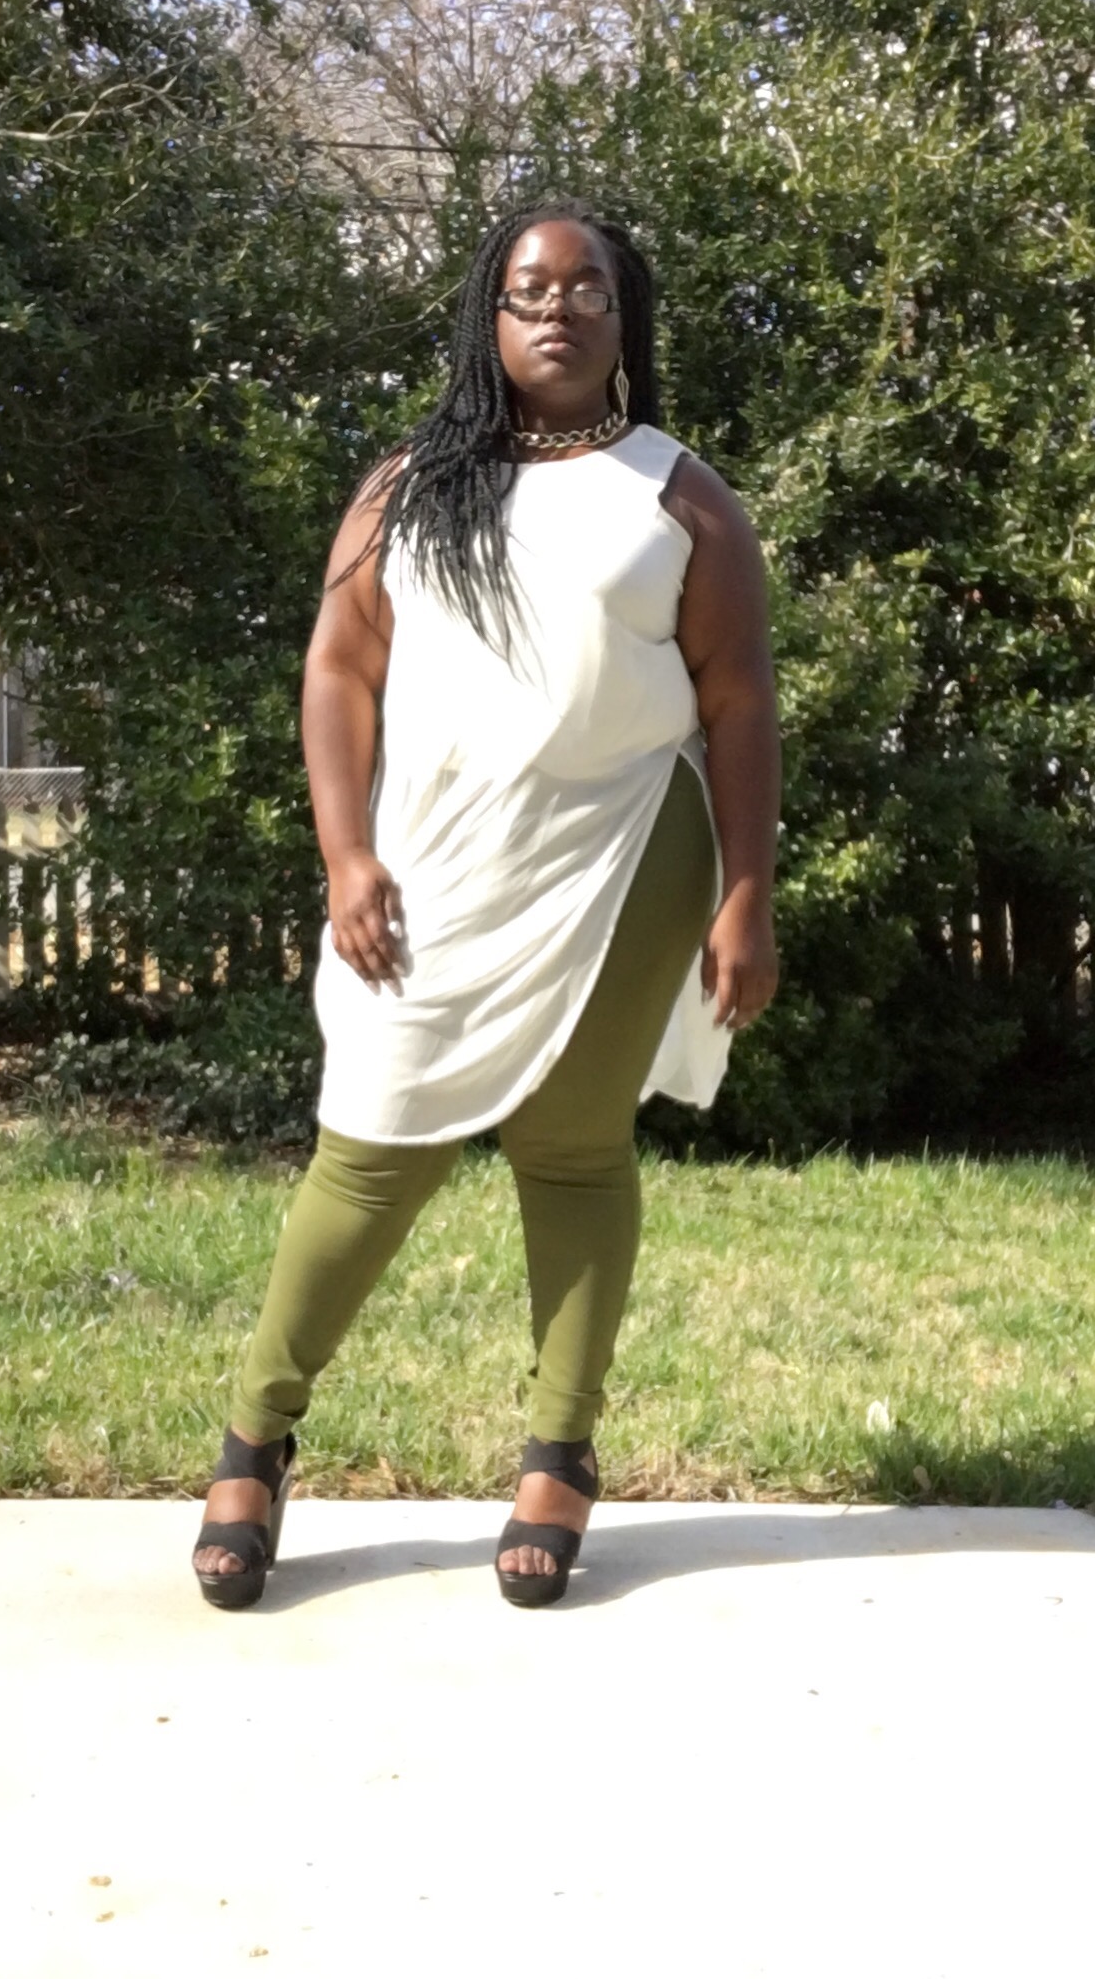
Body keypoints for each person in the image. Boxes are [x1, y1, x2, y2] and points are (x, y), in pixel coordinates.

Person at [192, 195, 780, 1610]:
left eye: (588, 290)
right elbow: (339, 668)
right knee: (369, 1143)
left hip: (624, 853)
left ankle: (558, 1454)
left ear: (624, 317)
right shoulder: (409, 486)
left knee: (572, 1150)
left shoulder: (680, 497)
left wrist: (747, 894)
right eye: (530, 291)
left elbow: (740, 701)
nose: (559, 310)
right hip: (432, 862)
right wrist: (346, 855)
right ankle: (255, 1438)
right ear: (489, 317)